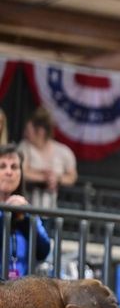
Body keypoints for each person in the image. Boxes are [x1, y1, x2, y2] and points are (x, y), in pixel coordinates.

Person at [0, 144, 51, 279]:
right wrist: (5, 215)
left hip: (21, 292)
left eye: (14, 167)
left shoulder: (26, 209)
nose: (9, 172)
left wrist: (25, 216)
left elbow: (43, 251)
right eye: (2, 166)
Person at [18, 108, 76, 209]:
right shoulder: (24, 147)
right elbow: (21, 171)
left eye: (28, 130)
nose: (25, 134)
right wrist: (44, 177)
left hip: (52, 207)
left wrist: (57, 178)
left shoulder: (64, 152)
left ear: (41, 131)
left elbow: (72, 176)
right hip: (27, 206)